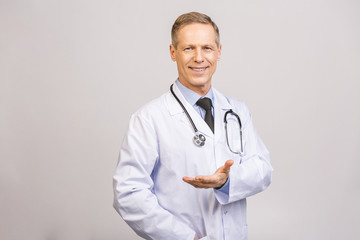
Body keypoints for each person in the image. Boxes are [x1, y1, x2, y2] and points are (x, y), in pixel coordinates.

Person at [113, 12, 273, 240]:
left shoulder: (237, 110)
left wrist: (227, 181)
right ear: (173, 52)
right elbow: (128, 193)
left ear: (219, 52)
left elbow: (263, 169)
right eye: (189, 48)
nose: (199, 58)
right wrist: (187, 239)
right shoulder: (149, 118)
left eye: (207, 48)